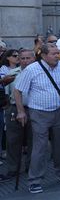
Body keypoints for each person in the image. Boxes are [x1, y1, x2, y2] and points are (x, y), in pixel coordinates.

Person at [14, 44, 60, 194]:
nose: (57, 56)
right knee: (40, 146)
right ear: (43, 55)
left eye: (58, 53)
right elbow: (18, 91)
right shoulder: (31, 70)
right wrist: (21, 111)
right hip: (39, 113)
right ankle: (35, 180)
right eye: (54, 54)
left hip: (59, 111)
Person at [0, 49, 33, 183]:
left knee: (33, 139)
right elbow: (6, 91)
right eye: (22, 58)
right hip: (14, 108)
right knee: (13, 140)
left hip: (33, 108)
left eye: (27, 58)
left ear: (33, 59)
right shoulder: (12, 73)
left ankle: (31, 166)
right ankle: (13, 168)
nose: (25, 61)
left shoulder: (39, 72)